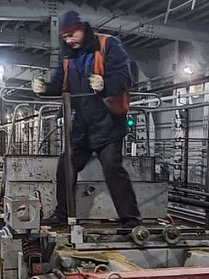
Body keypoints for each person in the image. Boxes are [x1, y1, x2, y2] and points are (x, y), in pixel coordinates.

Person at [32, 10, 140, 228]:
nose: (69, 40)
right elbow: (59, 85)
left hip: (108, 123)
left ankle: (131, 220)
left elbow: (124, 77)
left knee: (112, 168)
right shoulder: (67, 56)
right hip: (82, 127)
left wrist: (105, 84)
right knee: (66, 166)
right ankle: (63, 216)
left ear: (83, 28)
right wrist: (44, 89)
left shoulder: (109, 45)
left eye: (72, 34)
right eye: (65, 37)